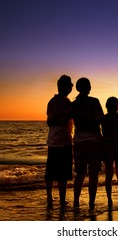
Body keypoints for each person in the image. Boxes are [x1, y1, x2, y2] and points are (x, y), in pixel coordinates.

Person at [72, 77, 104, 210]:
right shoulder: (94, 101)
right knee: (93, 173)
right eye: (89, 86)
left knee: (80, 173)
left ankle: (76, 201)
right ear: (88, 88)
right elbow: (101, 119)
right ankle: (91, 202)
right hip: (94, 141)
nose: (91, 88)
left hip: (79, 141)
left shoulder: (73, 104)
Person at [45, 75, 74, 207]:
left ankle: (49, 197)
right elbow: (60, 120)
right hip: (64, 141)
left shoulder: (51, 101)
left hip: (52, 140)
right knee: (63, 172)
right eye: (70, 85)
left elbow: (49, 121)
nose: (72, 87)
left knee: (50, 172)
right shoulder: (66, 102)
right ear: (66, 87)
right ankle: (62, 200)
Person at [101, 97, 118, 208]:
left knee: (109, 175)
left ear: (106, 106)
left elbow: (104, 134)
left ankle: (109, 199)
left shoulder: (104, 118)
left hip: (107, 147)